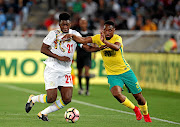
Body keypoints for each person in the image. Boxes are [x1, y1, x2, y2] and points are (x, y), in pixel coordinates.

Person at [62, 20, 152, 122]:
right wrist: (72, 36)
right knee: (116, 94)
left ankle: (146, 114)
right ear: (103, 30)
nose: (107, 32)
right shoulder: (97, 38)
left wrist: (104, 42)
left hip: (126, 71)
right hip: (113, 74)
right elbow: (83, 39)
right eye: (105, 30)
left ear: (114, 30)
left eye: (110, 30)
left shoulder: (117, 38)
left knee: (138, 97)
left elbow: (117, 48)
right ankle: (135, 109)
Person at [25, 12, 81, 121]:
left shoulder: (75, 34)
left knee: (67, 98)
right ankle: (33, 99)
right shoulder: (53, 34)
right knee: (51, 98)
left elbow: (84, 45)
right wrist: (58, 57)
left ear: (70, 24)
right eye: (63, 25)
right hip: (52, 68)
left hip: (66, 70)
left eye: (67, 25)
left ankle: (43, 113)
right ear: (59, 24)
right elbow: (43, 49)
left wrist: (99, 46)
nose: (65, 27)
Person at [76, 17, 94, 96]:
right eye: (81, 22)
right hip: (79, 54)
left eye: (84, 22)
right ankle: (80, 88)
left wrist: (94, 52)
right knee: (79, 72)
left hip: (87, 55)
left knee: (86, 72)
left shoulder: (90, 33)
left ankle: (87, 89)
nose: (83, 24)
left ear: (86, 24)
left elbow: (93, 43)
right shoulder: (77, 33)